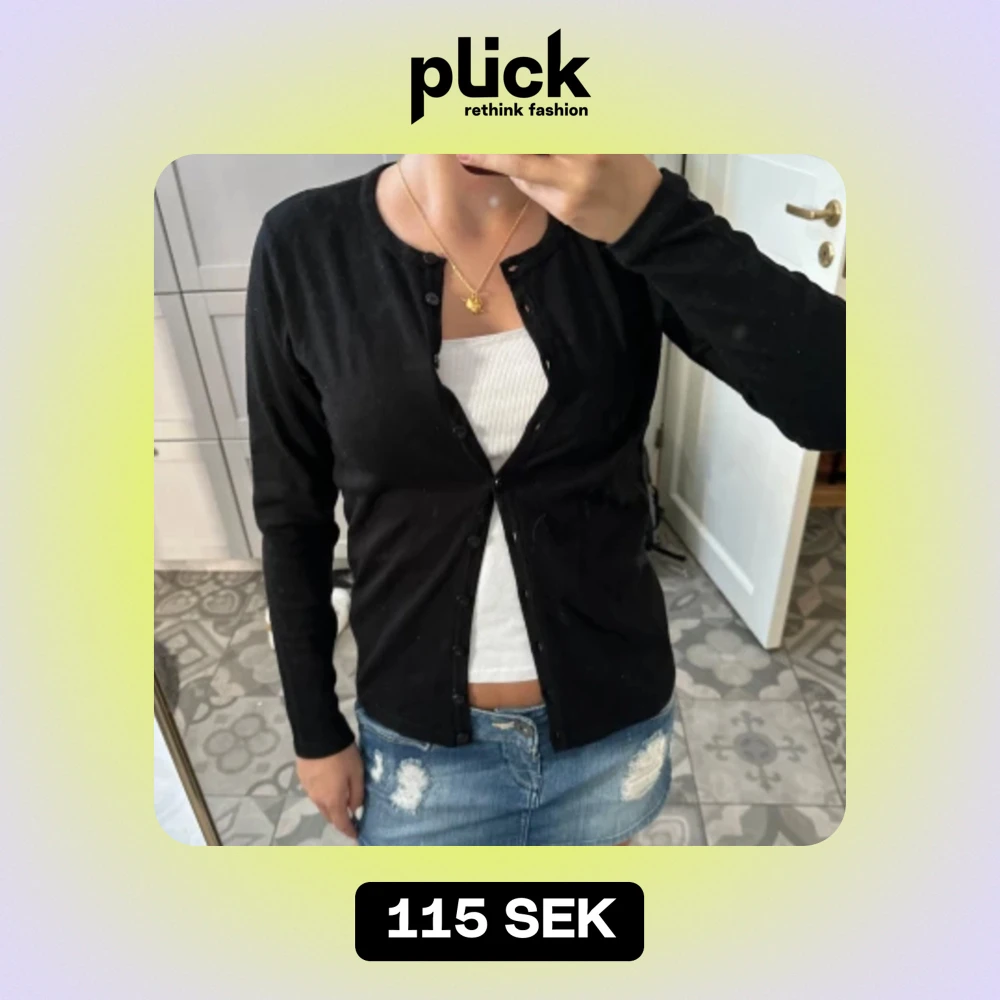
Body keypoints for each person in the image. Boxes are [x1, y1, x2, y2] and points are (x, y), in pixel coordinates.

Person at [245, 154, 845, 846]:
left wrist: (651, 219)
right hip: (419, 755)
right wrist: (315, 732)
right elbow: (292, 519)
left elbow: (837, 401)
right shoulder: (303, 245)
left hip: (613, 732)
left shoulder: (622, 214)